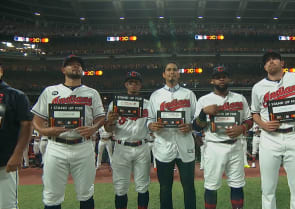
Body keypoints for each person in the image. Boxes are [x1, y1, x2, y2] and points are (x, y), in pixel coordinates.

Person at [31, 55, 105, 209]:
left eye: (78, 65)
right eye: (71, 65)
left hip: (83, 146)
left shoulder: (92, 93)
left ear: (82, 70)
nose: (75, 66)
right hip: (56, 146)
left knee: (86, 192)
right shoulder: (50, 91)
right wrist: (45, 130)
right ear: (63, 69)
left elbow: (100, 118)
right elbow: (36, 120)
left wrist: (94, 128)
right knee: (52, 195)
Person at [251, 51, 295, 209]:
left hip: (294, 135)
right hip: (270, 138)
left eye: (274, 59)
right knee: (268, 187)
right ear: (264, 67)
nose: (271, 62)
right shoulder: (258, 87)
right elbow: (254, 113)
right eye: (267, 61)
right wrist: (263, 125)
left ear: (282, 62)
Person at [193, 66, 252, 209]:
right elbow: (196, 126)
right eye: (218, 76)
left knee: (237, 185)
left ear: (229, 79)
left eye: (224, 76)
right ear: (212, 80)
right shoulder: (204, 100)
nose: (221, 78)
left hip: (235, 145)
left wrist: (242, 128)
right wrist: (203, 112)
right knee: (211, 186)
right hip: (214, 146)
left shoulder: (240, 98)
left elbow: (249, 120)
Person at [147, 62, 196, 209]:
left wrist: (191, 125)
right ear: (164, 74)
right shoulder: (155, 95)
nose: (172, 72)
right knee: (165, 188)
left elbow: (197, 117)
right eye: (168, 70)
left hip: (185, 144)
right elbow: (149, 119)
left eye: (175, 70)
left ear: (179, 74)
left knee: (188, 187)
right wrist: (151, 125)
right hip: (164, 145)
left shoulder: (189, 94)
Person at [105, 71, 151, 209]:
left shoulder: (148, 104)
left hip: (142, 146)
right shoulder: (115, 104)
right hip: (121, 146)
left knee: (143, 186)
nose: (133, 85)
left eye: (136, 82)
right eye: (130, 82)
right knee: (120, 187)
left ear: (140, 85)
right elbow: (108, 129)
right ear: (126, 84)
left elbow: (152, 125)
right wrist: (111, 121)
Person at [0, 63, 33, 209]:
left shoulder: (15, 95)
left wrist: (18, 154)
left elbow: (27, 125)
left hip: (4, 162)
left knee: (7, 206)